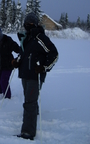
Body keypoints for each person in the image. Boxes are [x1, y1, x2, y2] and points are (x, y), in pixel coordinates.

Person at [12, 12, 58, 140]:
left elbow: (54, 54)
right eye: (27, 23)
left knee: (29, 103)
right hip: (25, 74)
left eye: (31, 23)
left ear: (36, 24)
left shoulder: (40, 38)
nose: (28, 25)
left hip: (35, 75)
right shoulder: (25, 38)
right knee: (29, 99)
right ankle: (34, 113)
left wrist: (44, 67)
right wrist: (17, 61)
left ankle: (27, 132)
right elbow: (23, 54)